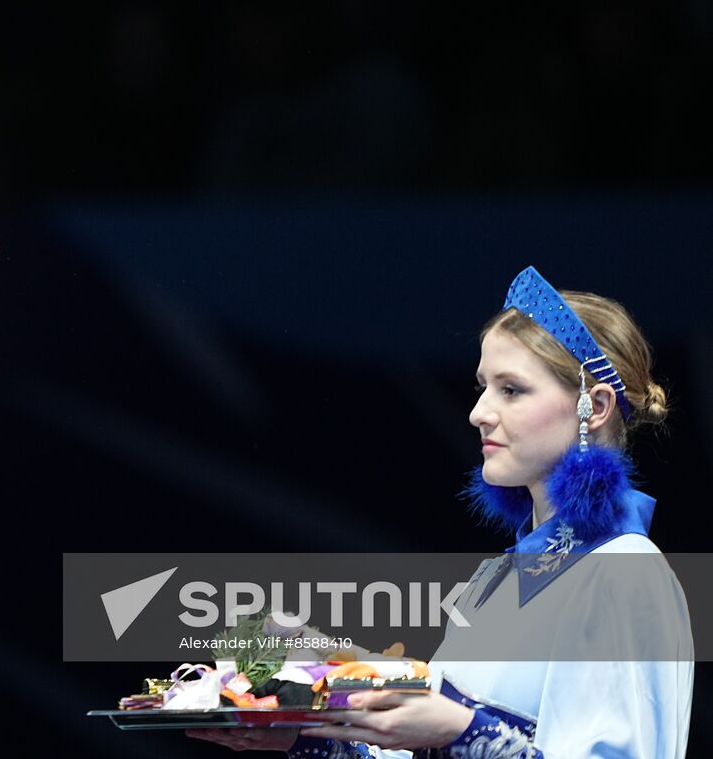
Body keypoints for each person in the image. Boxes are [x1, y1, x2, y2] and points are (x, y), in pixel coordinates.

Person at [187, 265, 693, 756]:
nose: (478, 412)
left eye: (511, 389)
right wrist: (304, 734)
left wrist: (462, 732)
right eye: (483, 387)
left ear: (596, 406)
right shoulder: (493, 581)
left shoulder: (626, 573)